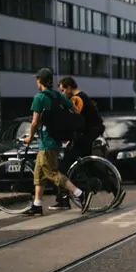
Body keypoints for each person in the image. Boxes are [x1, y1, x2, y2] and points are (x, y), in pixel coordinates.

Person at [24, 68, 89, 215]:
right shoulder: (57, 96)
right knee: (39, 174)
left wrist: (29, 137)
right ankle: (37, 205)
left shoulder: (39, 98)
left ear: (40, 80)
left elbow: (34, 122)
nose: (36, 81)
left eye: (37, 79)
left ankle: (79, 193)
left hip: (47, 142)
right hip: (56, 139)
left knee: (52, 173)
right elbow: (74, 108)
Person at [55, 76, 105, 210]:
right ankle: (113, 186)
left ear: (70, 87)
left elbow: (75, 121)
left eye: (63, 89)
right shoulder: (83, 97)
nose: (62, 93)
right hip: (87, 136)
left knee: (62, 168)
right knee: (87, 166)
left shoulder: (77, 99)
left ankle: (65, 200)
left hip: (83, 137)